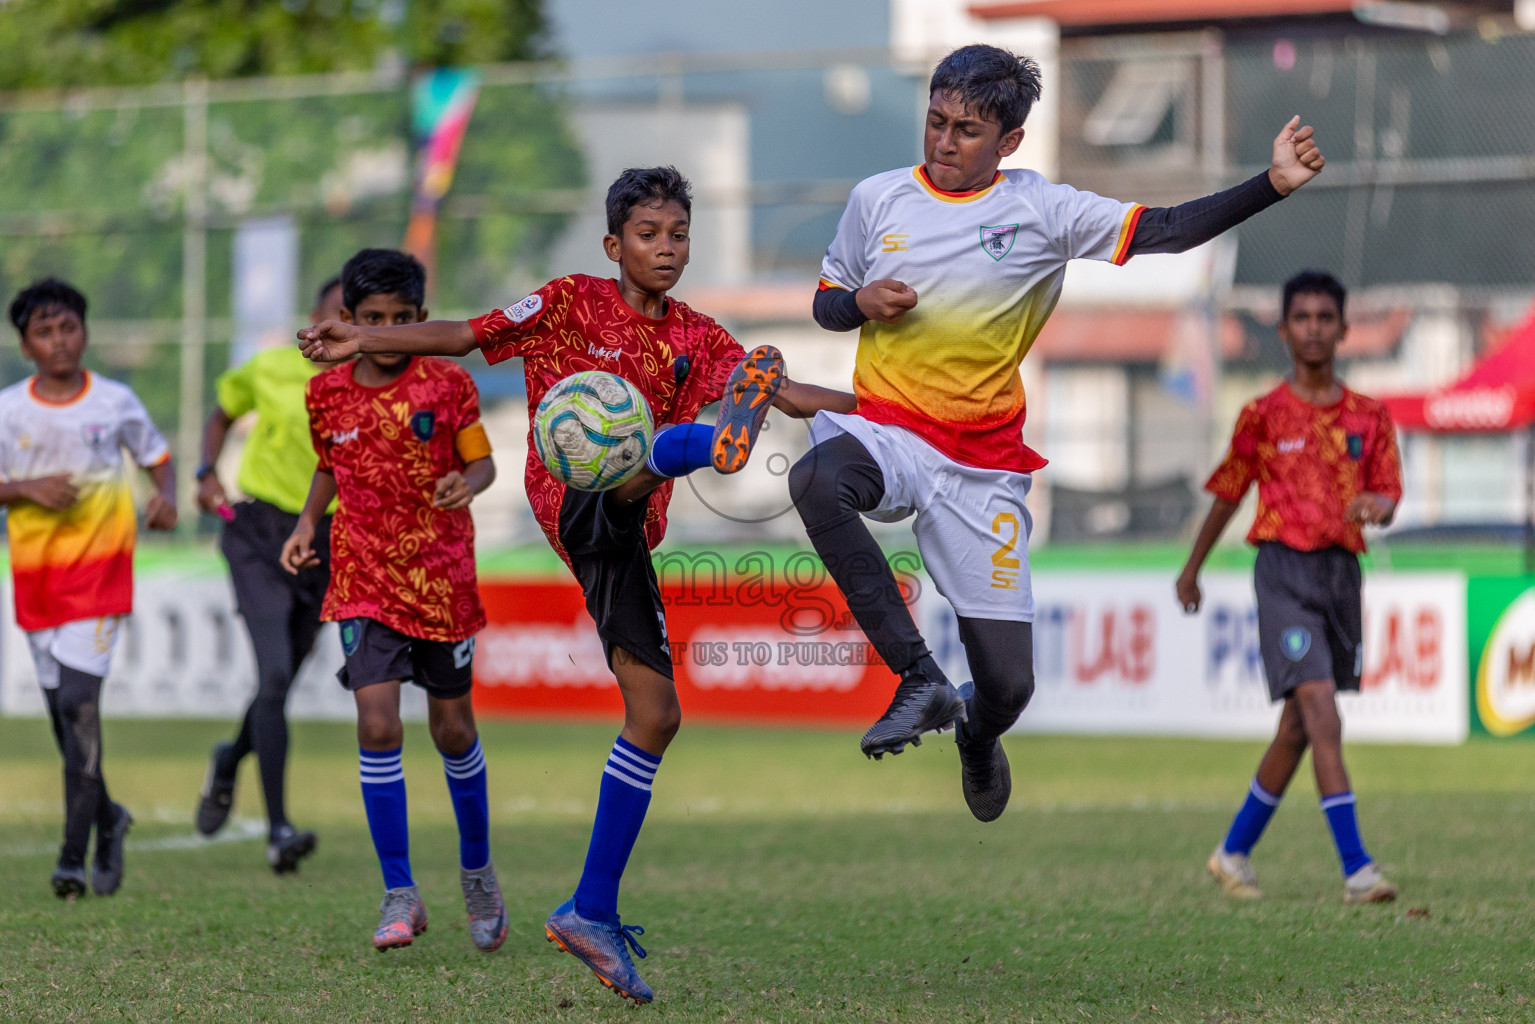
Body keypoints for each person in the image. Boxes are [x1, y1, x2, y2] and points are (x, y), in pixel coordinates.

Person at [298, 166, 855, 1004]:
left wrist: (907, 415)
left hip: (626, 542)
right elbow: (462, 335)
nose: (664, 249)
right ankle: (697, 446)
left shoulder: (700, 339)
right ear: (612, 245)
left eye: (676, 235)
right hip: (573, 499)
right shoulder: (565, 303)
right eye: (647, 235)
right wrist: (363, 340)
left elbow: (795, 394)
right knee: (631, 464)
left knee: (656, 716)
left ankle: (588, 910)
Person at [793, 43, 1328, 824]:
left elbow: (1169, 231)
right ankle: (917, 677)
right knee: (814, 480)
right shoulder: (876, 199)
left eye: (966, 130)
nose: (943, 141)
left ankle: (976, 732)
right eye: (935, 121)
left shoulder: (1041, 210)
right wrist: (857, 305)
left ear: (1008, 142)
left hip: (980, 466)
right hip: (888, 428)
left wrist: (1272, 185)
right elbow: (826, 299)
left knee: (1009, 687)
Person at [279, 249, 507, 952]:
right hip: (361, 575)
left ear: (420, 317)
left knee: (453, 732)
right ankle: (399, 894)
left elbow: (482, 459)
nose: (387, 330)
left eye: (402, 319)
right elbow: (329, 464)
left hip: (440, 576)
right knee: (376, 725)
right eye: (372, 319)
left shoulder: (447, 381)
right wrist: (308, 521)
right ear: (347, 320)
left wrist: (469, 482)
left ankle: (477, 875)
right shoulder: (324, 392)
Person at [1178, 270, 1401, 906]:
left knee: (1298, 728)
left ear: (1344, 329)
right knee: (1322, 709)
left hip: (1340, 576)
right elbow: (1228, 494)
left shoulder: (1370, 416)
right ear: (1282, 330)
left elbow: (1388, 491)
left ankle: (1233, 852)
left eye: (1324, 318)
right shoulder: (1263, 415)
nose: (1313, 328)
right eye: (1301, 317)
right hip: (1283, 573)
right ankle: (1358, 869)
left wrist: (1380, 507)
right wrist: (1191, 568)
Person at [0, 278, 177, 898]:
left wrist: (166, 499)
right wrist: (24, 488)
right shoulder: (8, 410)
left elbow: (156, 455)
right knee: (62, 724)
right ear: (25, 345)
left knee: (79, 706)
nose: (59, 341)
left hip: (100, 579)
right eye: (44, 332)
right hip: (36, 584)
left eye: (68, 327)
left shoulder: (115, 402)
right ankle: (110, 817)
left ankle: (71, 858)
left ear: (85, 330)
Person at [193, 276, 344, 873]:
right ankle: (279, 828)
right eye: (333, 314)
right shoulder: (272, 367)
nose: (342, 328)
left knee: (278, 685)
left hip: (329, 540)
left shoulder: (367, 383)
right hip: (257, 533)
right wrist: (207, 471)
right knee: (275, 673)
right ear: (313, 318)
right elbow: (222, 411)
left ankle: (229, 760)